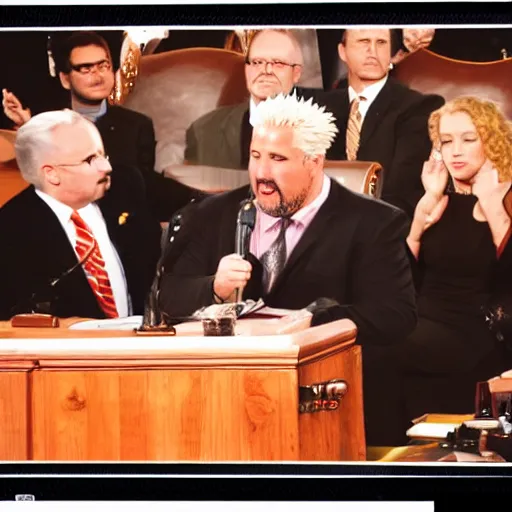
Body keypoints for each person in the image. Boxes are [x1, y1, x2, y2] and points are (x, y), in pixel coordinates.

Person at [160, 93, 418, 445]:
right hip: (226, 405)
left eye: (278, 159)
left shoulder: (374, 223)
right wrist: (213, 288)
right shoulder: (212, 215)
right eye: (255, 156)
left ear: (314, 161)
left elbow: (395, 315)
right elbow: (165, 298)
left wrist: (315, 321)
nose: (262, 173)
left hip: (335, 405)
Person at [394, 96, 512, 422]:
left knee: (381, 347)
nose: (455, 150)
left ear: (490, 141)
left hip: (476, 331)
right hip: (423, 323)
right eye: (446, 141)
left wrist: (490, 202)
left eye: (468, 139)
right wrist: (421, 216)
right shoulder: (438, 198)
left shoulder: (507, 195)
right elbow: (402, 282)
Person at [2, 31, 188, 221]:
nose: (97, 75)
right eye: (85, 68)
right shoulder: (53, 122)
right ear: (65, 79)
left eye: (103, 65)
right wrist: (30, 127)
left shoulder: (138, 125)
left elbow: (142, 188)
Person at [0, 109, 161, 320]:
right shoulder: (11, 231)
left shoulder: (126, 188)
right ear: (52, 174)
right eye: (90, 160)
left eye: (103, 154)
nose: (106, 167)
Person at [313, 28, 444, 218]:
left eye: (381, 43)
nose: (372, 51)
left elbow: (403, 191)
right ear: (343, 51)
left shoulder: (418, 107)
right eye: (363, 42)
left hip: (380, 226)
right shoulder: (318, 107)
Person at [184, 29, 304, 170]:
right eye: (257, 62)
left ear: (296, 73)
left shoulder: (325, 130)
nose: (266, 70)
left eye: (278, 63)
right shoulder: (203, 132)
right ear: (246, 69)